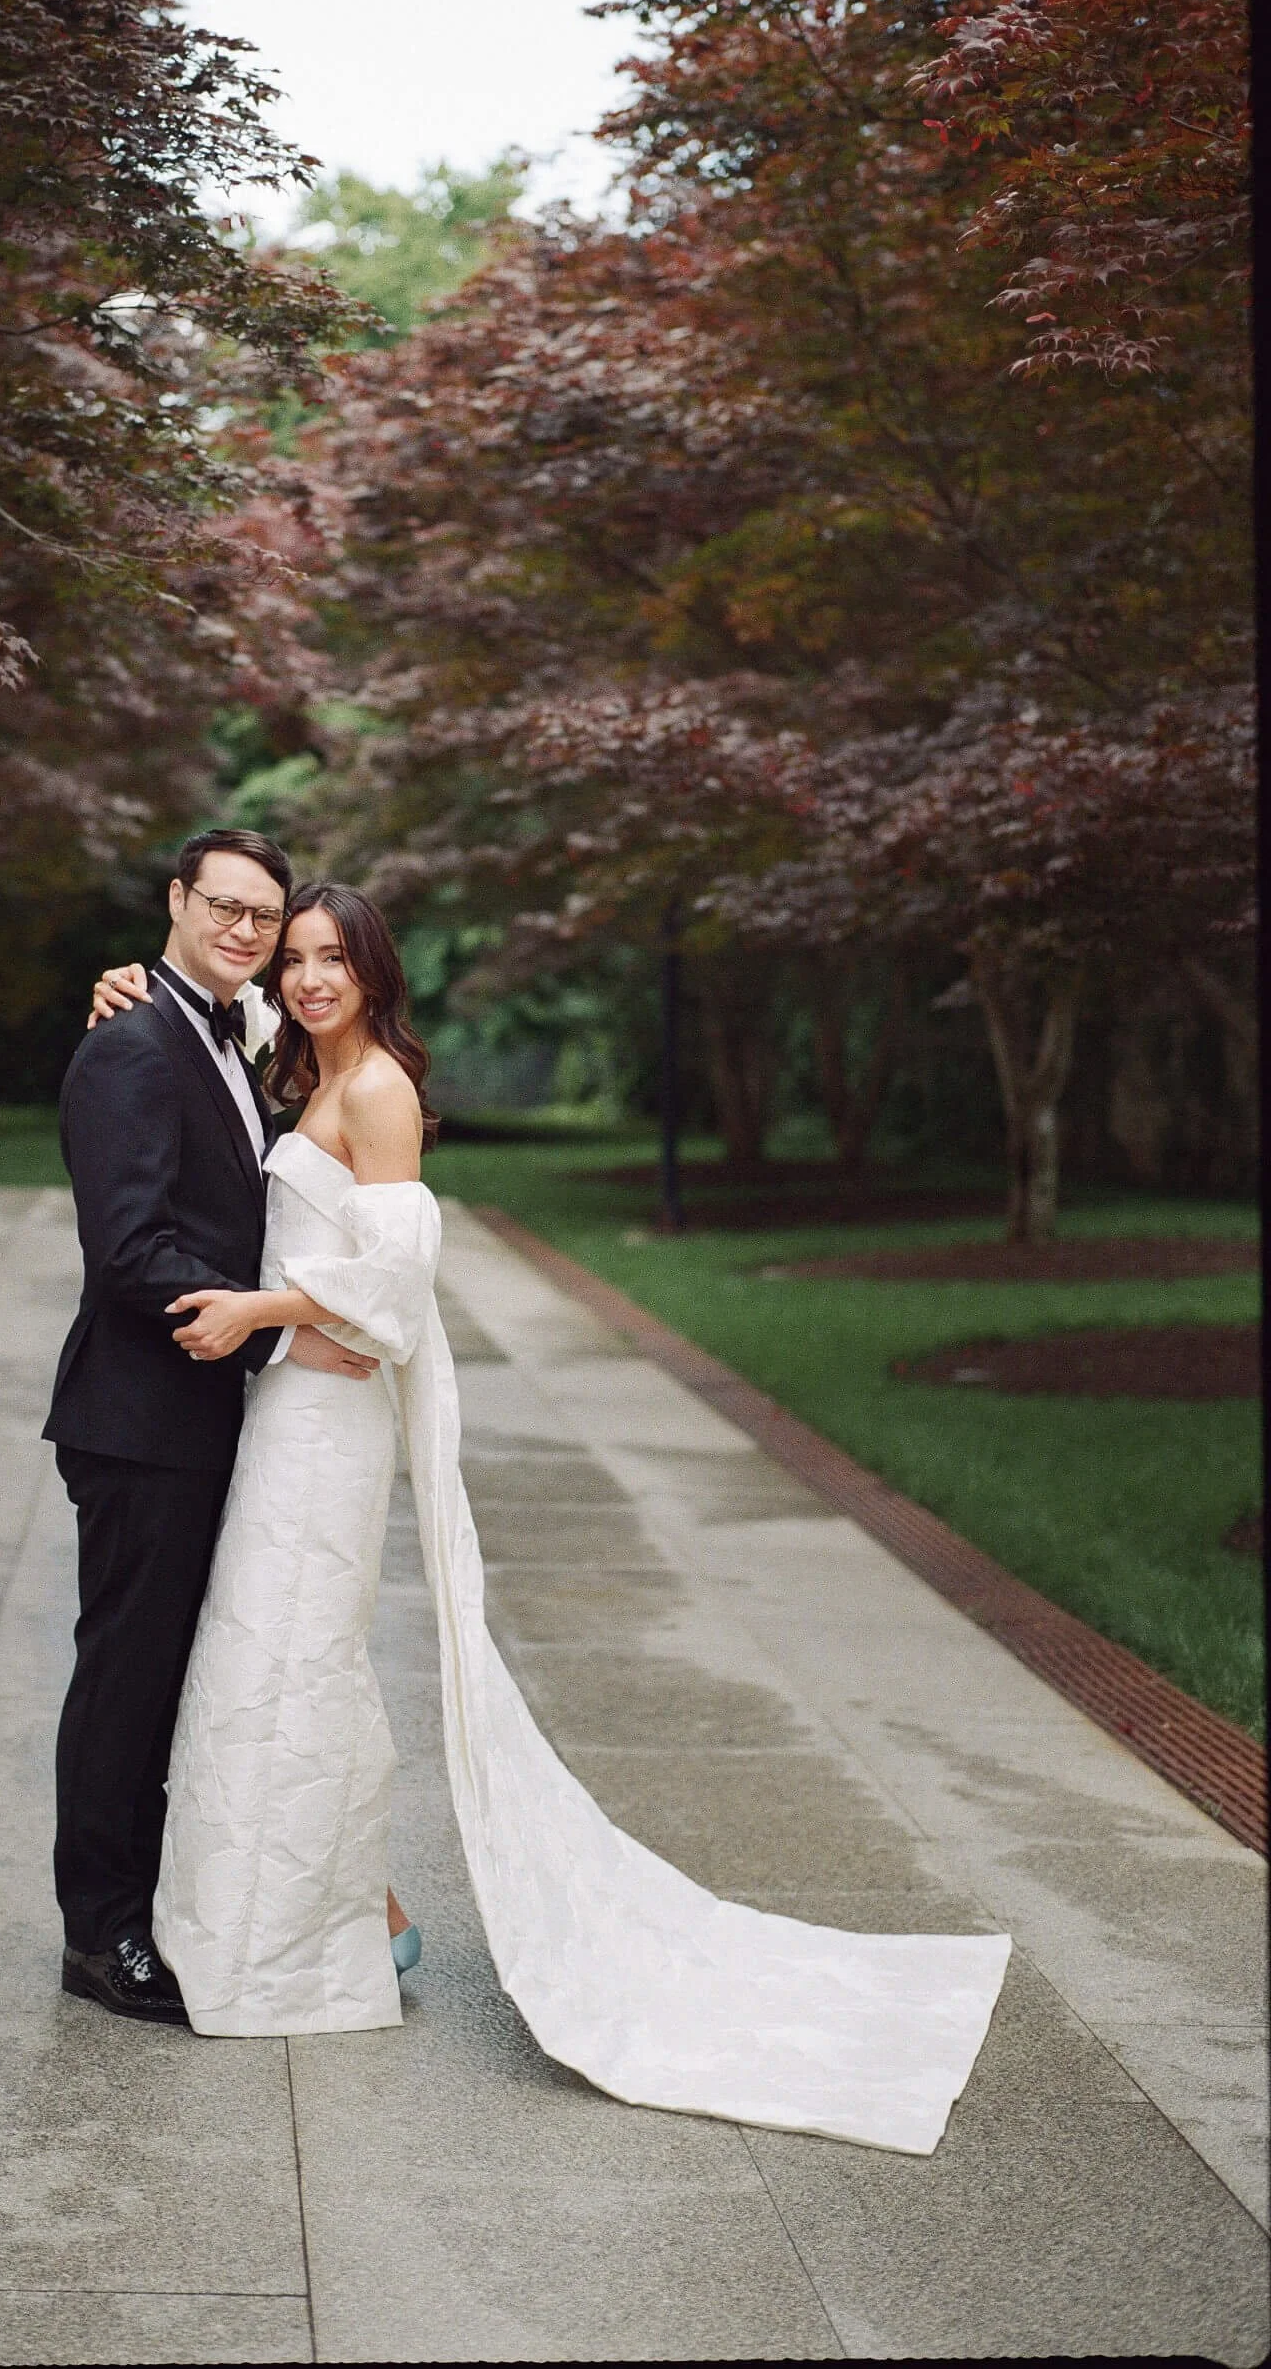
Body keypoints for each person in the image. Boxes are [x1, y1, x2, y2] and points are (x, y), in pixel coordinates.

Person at [82, 878, 1013, 2155]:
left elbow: (397, 1278)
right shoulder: (287, 1058)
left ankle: (309, 1928)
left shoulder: (377, 1089)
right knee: (268, 1652)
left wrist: (267, 1312)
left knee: (292, 1649)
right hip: (283, 1411)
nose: (305, 975)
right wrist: (127, 984)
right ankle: (337, 1909)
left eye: (331, 956)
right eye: (291, 956)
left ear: (374, 970)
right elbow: (206, 1036)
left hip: (323, 1418)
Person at [43, 829, 385, 2026]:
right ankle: (100, 1935)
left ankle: (154, 1903)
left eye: (264, 917)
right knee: (124, 1678)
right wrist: (282, 1335)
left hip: (197, 1418)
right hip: (140, 1419)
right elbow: (130, 1250)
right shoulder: (133, 1042)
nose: (245, 931)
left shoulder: (232, 1031)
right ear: (177, 900)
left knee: (167, 1674)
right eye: (224, 906)